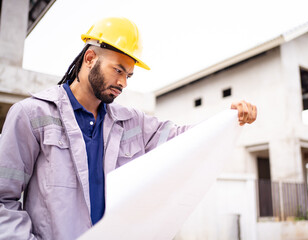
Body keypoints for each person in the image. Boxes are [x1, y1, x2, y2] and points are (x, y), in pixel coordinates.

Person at [0, 17, 257, 240]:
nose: (123, 82)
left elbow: (182, 139)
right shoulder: (32, 115)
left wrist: (230, 118)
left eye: (129, 75)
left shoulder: (132, 122)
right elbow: (3, 201)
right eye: (118, 70)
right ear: (90, 58)